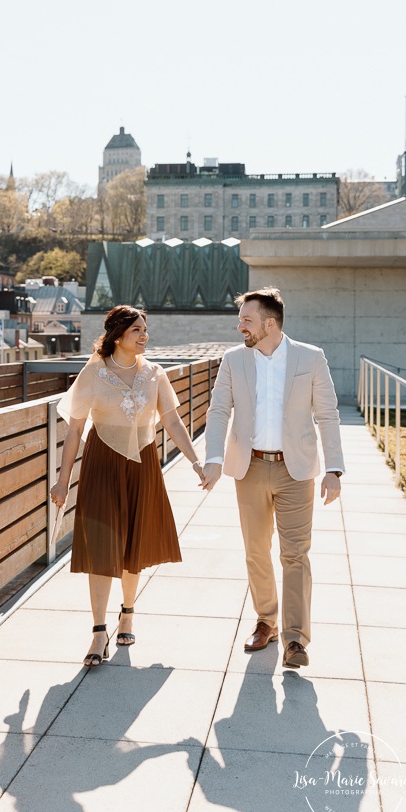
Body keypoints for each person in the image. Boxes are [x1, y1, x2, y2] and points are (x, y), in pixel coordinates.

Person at [50, 305, 204, 667]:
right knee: (102, 548)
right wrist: (62, 481)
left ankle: (129, 613)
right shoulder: (93, 374)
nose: (144, 335)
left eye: (145, 329)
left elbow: (173, 421)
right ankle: (98, 632)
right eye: (137, 330)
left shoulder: (155, 373)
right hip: (102, 464)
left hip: (144, 464)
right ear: (118, 335)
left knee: (135, 543)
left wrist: (196, 461)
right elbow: (74, 431)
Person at [201, 287, 345, 669]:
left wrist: (333, 469)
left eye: (246, 320)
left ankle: (295, 639)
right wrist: (213, 458)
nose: (240, 326)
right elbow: (218, 411)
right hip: (248, 469)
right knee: (255, 551)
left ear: (269, 323)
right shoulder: (234, 360)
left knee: (295, 554)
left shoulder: (310, 358)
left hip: (295, 470)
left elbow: (327, 415)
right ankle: (266, 620)